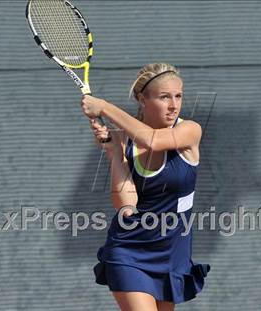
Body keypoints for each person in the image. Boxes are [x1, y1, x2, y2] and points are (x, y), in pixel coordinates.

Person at [81, 63, 210, 311]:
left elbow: (152, 140)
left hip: (173, 253)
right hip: (129, 251)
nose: (174, 105)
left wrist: (104, 107)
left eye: (178, 96)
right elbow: (125, 204)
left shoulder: (190, 130)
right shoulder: (123, 140)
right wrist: (115, 153)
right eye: (164, 97)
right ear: (143, 99)